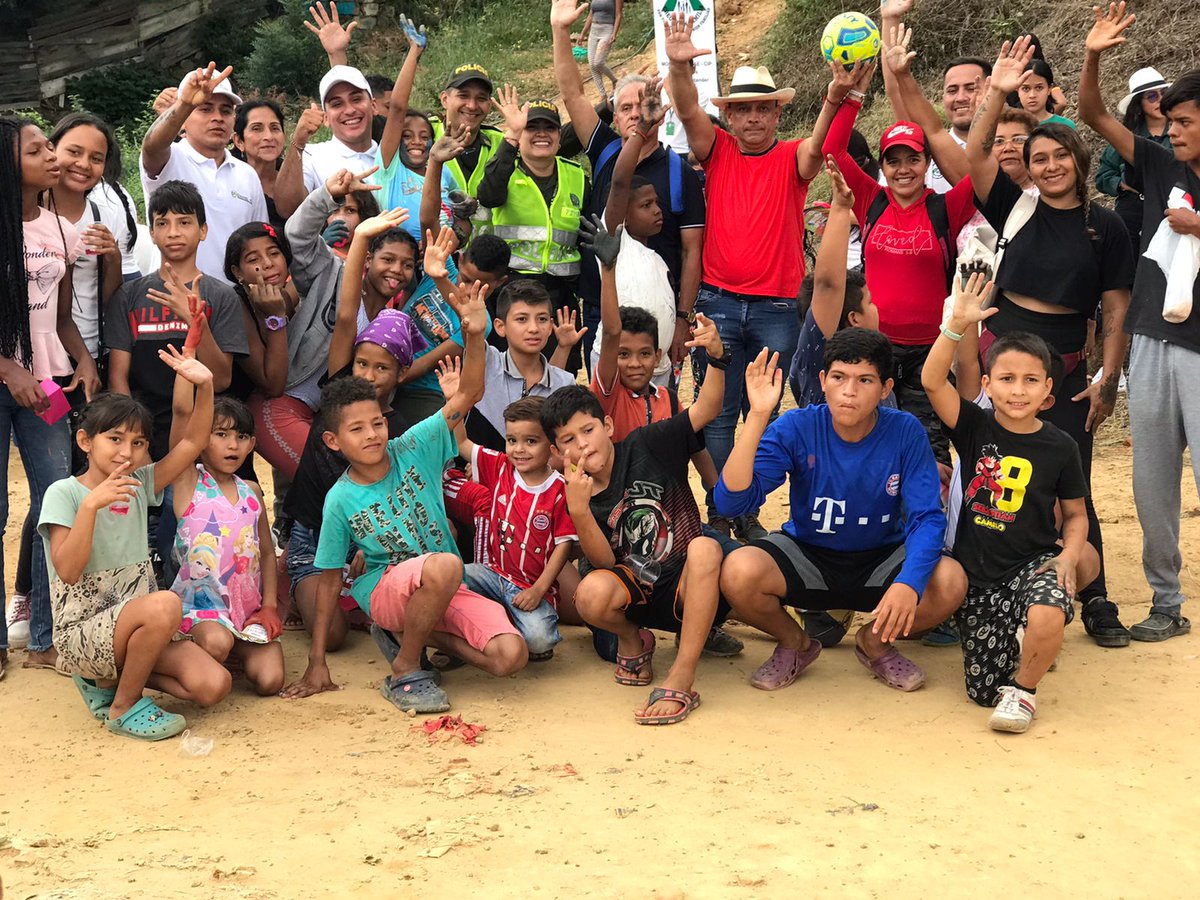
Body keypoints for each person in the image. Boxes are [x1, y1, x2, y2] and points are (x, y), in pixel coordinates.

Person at [282, 280, 530, 713]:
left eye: (376, 423)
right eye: (356, 429)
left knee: (511, 656)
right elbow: (326, 582)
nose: (372, 435)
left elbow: (469, 392)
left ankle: (414, 635)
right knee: (447, 564)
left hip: (440, 585)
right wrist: (315, 662)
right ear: (333, 441)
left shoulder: (414, 444)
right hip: (385, 590)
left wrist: (474, 335)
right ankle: (406, 666)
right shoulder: (340, 499)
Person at [970, 35, 1134, 648]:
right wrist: (998, 89)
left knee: (1075, 482)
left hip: (1065, 368)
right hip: (1003, 357)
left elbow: (1115, 308)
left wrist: (1106, 379)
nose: (1050, 166)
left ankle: (1093, 595)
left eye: (1060, 155)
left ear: (1078, 159)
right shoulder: (1015, 206)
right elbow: (978, 151)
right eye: (1039, 158)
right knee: (991, 478)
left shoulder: (1105, 225)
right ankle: (988, 588)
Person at [664, 11, 851, 540]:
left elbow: (818, 147)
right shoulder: (717, 149)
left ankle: (752, 505)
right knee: (720, 410)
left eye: (761, 110)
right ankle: (728, 513)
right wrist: (680, 67)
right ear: (732, 116)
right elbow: (687, 106)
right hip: (718, 303)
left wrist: (835, 98)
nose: (751, 119)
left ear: (775, 114)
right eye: (742, 110)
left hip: (773, 308)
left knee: (767, 410)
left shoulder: (793, 159)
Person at [717, 331, 964, 693]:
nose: (849, 391)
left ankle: (875, 642)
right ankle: (795, 642)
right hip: (809, 556)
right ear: (823, 381)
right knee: (738, 571)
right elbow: (732, 503)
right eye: (839, 378)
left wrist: (909, 583)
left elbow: (926, 518)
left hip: (881, 559)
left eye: (864, 380)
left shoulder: (905, 431)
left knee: (951, 580)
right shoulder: (797, 426)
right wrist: (757, 415)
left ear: (885, 388)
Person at [923, 273, 1100, 732]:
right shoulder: (974, 427)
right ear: (987, 382)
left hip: (1032, 562)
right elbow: (930, 381)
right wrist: (955, 327)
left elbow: (1077, 514)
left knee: (1048, 600)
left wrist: (1067, 555)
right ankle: (1025, 643)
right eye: (1006, 379)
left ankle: (1025, 692)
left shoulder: (1061, 446)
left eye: (1029, 381)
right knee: (983, 692)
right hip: (977, 575)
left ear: (1047, 393)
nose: (1017, 390)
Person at [539, 310, 729, 726]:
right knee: (588, 593)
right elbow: (605, 565)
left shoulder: (646, 443)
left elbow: (708, 409)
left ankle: (682, 675)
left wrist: (716, 357)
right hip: (636, 593)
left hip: (685, 580)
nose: (582, 445)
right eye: (568, 440)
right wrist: (578, 508)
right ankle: (633, 641)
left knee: (704, 547)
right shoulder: (575, 489)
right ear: (558, 452)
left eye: (587, 431)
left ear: (607, 425)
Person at [1077, 2, 1200, 642]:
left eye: (1182, 121)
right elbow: (1094, 113)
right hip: (1153, 341)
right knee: (1152, 481)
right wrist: (1095, 55)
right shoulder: (1158, 165)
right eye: (1170, 121)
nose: (1171, 130)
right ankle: (1166, 602)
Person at [37, 354, 232, 740]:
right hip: (82, 632)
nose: (127, 452)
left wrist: (205, 385)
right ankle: (123, 705)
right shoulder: (65, 493)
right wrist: (92, 505)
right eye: (115, 439)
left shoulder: (141, 482)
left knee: (214, 685)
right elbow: (69, 572)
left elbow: (192, 442)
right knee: (166, 604)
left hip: (135, 627)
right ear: (85, 442)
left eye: (138, 442)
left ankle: (107, 682)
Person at [824, 39, 976, 467]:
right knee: (873, 447)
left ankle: (931, 531)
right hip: (878, 347)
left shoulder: (947, 207)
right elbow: (833, 151)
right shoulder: (869, 200)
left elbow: (979, 171)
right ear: (882, 166)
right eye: (894, 160)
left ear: (928, 162)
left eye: (913, 158)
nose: (904, 168)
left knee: (930, 449)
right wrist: (852, 95)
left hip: (932, 349)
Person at [551, 0, 705, 374]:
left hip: (657, 308)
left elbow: (692, 252)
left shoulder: (677, 171)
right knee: (607, 406)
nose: (636, 113)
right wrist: (559, 31)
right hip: (600, 303)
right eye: (626, 107)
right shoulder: (604, 150)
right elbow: (573, 93)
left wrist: (683, 317)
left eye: (644, 104)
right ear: (615, 116)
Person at [0, 117, 101, 667]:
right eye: (38, 149)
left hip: (46, 386)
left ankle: (45, 638)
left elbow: (62, 319)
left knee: (55, 502)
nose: (53, 157)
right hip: (8, 380)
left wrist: (83, 359)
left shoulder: (59, 230)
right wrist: (8, 369)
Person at [284, 309, 422, 645]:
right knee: (331, 637)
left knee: (404, 619)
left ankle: (353, 599)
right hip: (315, 546)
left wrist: (371, 542)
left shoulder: (400, 431)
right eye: (362, 363)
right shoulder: (335, 399)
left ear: (402, 373)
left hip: (372, 549)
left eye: (382, 367)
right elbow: (346, 314)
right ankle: (298, 590)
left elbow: (398, 498)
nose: (369, 375)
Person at [105, 181, 249, 463]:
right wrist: (133, 441)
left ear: (203, 230)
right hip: (143, 432)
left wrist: (197, 322)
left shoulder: (222, 297)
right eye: (163, 223)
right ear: (153, 234)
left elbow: (221, 380)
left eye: (184, 222)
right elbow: (118, 377)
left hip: (205, 433)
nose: (173, 232)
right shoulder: (129, 294)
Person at [169, 387, 284, 697]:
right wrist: (193, 376)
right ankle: (192, 651)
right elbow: (181, 418)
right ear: (201, 438)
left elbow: (268, 554)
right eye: (220, 434)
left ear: (253, 445)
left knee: (271, 680)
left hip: (247, 615)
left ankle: (232, 650)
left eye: (242, 436)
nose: (233, 444)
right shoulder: (188, 481)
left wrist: (270, 607)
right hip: (200, 612)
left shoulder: (252, 492)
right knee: (217, 644)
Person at [447, 395, 576, 661]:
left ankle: (502, 625)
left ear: (552, 446)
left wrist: (538, 590)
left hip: (531, 588)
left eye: (531, 441)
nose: (519, 449)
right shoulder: (499, 467)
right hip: (492, 575)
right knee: (453, 577)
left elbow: (563, 546)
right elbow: (461, 442)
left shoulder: (561, 490)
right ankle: (495, 623)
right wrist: (455, 400)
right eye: (512, 440)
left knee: (539, 641)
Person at [476, 89, 588, 370]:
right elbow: (488, 195)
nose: (541, 134)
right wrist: (510, 137)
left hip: (561, 298)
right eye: (531, 127)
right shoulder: (505, 169)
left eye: (549, 128)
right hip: (513, 292)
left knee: (562, 378)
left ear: (559, 136)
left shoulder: (575, 175)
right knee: (511, 375)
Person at [139, 62, 268, 284]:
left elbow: (258, 241)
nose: (217, 117)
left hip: (232, 302)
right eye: (205, 108)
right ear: (184, 119)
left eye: (225, 111)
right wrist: (184, 104)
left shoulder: (246, 174)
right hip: (173, 300)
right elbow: (151, 147)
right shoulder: (171, 158)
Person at [585, 83, 676, 387]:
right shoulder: (616, 244)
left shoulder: (658, 262)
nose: (656, 211)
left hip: (657, 369)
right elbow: (620, 181)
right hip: (618, 368)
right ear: (623, 210)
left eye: (657, 204)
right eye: (646, 205)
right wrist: (642, 130)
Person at [788, 157, 884, 409]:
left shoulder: (877, 361)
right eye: (871, 302)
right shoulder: (819, 361)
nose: (877, 308)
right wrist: (841, 208)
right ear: (854, 318)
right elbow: (828, 285)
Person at [46, 113, 141, 364]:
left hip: (89, 351)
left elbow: (110, 299)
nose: (84, 164)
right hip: (33, 355)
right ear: (51, 148)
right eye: (74, 152)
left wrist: (113, 258)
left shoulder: (106, 214)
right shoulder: (25, 212)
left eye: (96, 158)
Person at [881, 1, 991, 193]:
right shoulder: (927, 143)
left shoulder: (1012, 142)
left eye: (971, 88)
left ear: (991, 89)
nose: (961, 97)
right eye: (952, 90)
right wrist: (890, 18)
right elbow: (895, 89)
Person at [465, 279, 576, 452]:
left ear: (550, 327)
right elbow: (472, 336)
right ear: (500, 327)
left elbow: (564, 449)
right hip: (474, 473)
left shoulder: (565, 383)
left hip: (535, 477)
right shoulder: (488, 362)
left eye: (542, 319)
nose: (534, 328)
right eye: (522, 319)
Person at [373, 17, 456, 242]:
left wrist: (462, 226)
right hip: (399, 260)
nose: (417, 141)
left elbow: (456, 217)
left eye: (425, 136)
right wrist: (414, 52)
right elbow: (398, 109)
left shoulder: (442, 172)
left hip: (442, 259)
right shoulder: (389, 167)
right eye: (406, 136)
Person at [1096, 66, 1173, 253]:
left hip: (1172, 207)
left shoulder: (1181, 131)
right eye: (1152, 96)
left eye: (1164, 93)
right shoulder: (1126, 138)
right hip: (1134, 211)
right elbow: (1102, 176)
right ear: (1140, 103)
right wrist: (1122, 184)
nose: (1160, 100)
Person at [232, 99, 289, 232]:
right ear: (239, 141)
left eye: (275, 128)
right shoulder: (229, 182)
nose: (269, 136)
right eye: (257, 129)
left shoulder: (294, 176)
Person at [577, 0, 623, 106]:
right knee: (592, 64)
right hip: (594, 30)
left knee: (598, 62)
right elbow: (591, 14)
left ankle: (615, 80)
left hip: (607, 29)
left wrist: (614, 33)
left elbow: (619, 14)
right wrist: (583, 33)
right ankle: (602, 94)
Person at [1018, 60, 1077, 128]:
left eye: (1039, 88)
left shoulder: (1065, 126)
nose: (1032, 95)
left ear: (1049, 89)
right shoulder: (1010, 127)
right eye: (1026, 89)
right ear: (1017, 89)